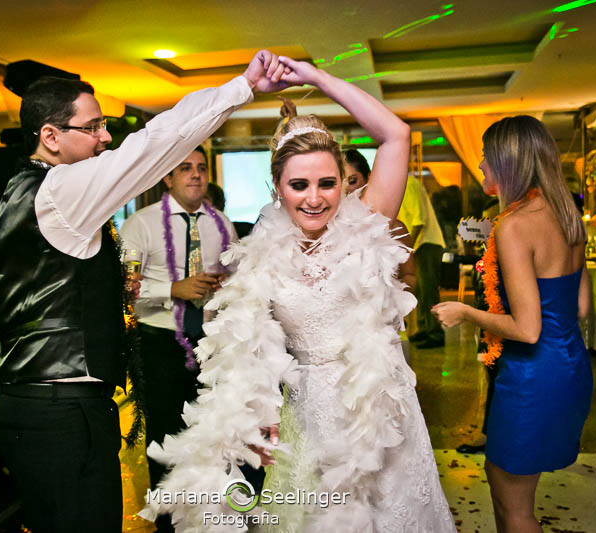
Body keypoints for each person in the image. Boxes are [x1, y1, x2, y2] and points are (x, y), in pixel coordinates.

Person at [142, 56, 454, 532]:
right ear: (277, 188)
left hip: (375, 414)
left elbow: (397, 135)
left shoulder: (366, 222)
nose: (314, 198)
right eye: (299, 185)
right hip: (305, 416)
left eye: (327, 183)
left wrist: (317, 78)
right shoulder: (260, 256)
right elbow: (252, 354)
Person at [0, 50, 292, 533]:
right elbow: (153, 145)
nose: (106, 137)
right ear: (50, 137)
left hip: (43, 404)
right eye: (94, 126)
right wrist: (243, 89)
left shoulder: (20, 190)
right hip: (60, 412)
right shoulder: (60, 189)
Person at [432, 115, 592, 532]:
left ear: (508, 163)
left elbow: (527, 329)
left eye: (486, 157)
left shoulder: (516, 226)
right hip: (569, 366)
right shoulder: (569, 218)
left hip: (531, 377)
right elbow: (581, 306)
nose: (481, 165)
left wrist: (464, 311)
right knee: (516, 498)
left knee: (512, 506)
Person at [119, 146, 237, 532]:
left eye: (201, 168)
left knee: (211, 437)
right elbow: (124, 286)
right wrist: (173, 288)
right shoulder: (141, 224)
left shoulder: (221, 224)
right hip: (160, 346)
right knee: (166, 442)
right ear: (168, 178)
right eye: (185, 168)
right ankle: (169, 525)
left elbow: (236, 283)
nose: (196, 175)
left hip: (211, 347)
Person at [344, 148, 416, 363]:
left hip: (382, 335)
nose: (347, 188)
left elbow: (410, 276)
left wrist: (389, 305)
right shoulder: (324, 229)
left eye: (353, 180)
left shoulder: (393, 227)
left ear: (368, 179)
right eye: (340, 181)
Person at [398, 174, 447, 348]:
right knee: (419, 290)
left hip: (427, 243)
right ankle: (424, 329)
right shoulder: (397, 186)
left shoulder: (408, 183)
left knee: (427, 290)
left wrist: (407, 249)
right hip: (416, 244)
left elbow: (419, 221)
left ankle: (434, 332)